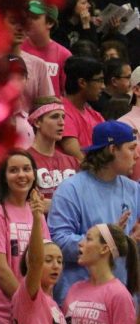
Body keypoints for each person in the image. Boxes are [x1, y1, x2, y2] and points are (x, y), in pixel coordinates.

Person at [48, 120, 140, 303]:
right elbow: (58, 241)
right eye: (131, 148)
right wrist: (105, 239)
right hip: (80, 301)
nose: (136, 155)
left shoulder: (133, 189)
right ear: (112, 149)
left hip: (122, 297)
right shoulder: (70, 189)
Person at [0, 149, 47, 324]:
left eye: (26, 169)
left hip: (33, 311)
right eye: (14, 170)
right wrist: (24, 303)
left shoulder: (36, 213)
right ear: (3, 177)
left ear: (34, 173)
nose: (21, 175)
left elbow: (44, 261)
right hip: (3, 314)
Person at [62, 223, 138, 324]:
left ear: (104, 249)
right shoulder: (74, 289)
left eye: (88, 239)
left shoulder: (119, 295)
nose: (80, 243)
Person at [10, 190, 66, 324]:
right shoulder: (28, 294)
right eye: (48, 260)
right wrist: (36, 218)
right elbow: (36, 263)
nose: (56, 265)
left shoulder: (53, 303)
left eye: (59, 261)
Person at [27, 97, 79, 207]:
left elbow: (81, 203)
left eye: (63, 117)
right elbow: (26, 204)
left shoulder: (72, 162)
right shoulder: (24, 160)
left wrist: (52, 205)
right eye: (55, 117)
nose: (62, 123)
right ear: (37, 122)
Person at [21, 0, 71, 97]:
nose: (28, 21)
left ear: (50, 23)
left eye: (34, 17)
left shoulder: (64, 55)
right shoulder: (17, 48)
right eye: (27, 17)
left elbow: (68, 96)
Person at [60, 56, 106, 161]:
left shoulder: (96, 115)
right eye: (99, 80)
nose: (103, 86)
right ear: (82, 83)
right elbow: (77, 156)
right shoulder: (60, 112)